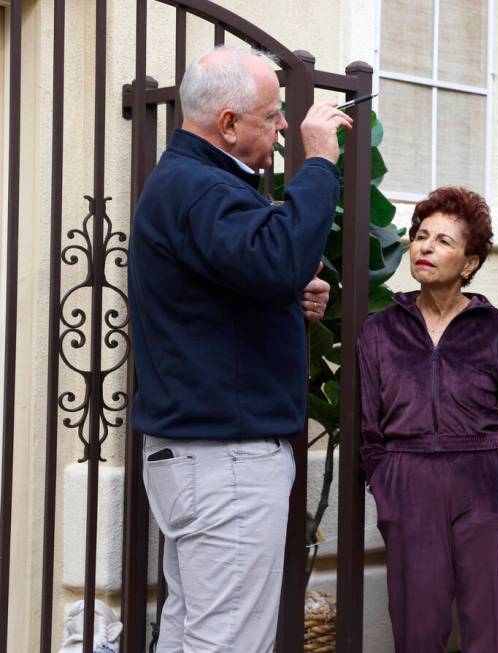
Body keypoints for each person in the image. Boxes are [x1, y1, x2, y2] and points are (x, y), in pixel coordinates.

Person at [128, 45, 352, 652]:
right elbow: (277, 257)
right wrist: (322, 164)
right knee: (228, 641)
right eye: (272, 116)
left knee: (191, 633)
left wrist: (284, 296)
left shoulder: (189, 184)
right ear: (228, 124)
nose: (283, 128)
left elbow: (240, 281)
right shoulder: (203, 189)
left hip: (199, 458)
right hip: (225, 460)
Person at [357, 186, 498, 652]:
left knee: (485, 632)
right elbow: (367, 428)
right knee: (417, 632)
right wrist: (385, 478)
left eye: (444, 240)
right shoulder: (379, 331)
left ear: (469, 263)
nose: (425, 247)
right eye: (421, 236)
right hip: (407, 484)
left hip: (484, 485)